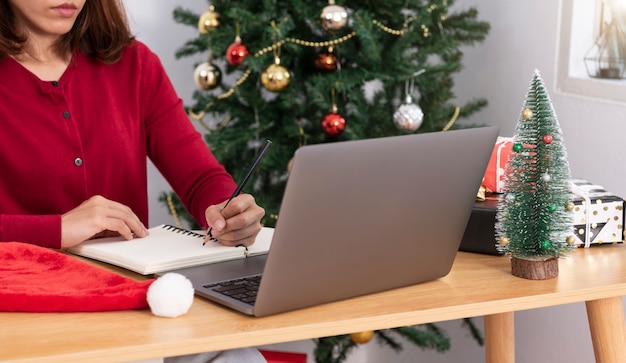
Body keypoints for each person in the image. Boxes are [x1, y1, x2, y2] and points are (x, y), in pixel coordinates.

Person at [0, 1, 266, 361]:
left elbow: (201, 176)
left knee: (239, 356)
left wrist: (227, 209)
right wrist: (58, 229)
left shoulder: (133, 63)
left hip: (137, 309)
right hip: (25, 321)